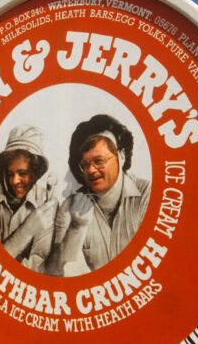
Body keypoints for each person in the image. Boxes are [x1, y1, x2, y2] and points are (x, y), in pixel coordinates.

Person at [45, 114, 151, 276]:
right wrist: (77, 227)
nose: (91, 170)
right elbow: (54, 275)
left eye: (99, 161)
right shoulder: (69, 208)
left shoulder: (148, 196)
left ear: (121, 157)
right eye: (85, 164)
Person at [0, 125, 57, 272]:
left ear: (35, 173)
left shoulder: (46, 202)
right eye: (10, 174)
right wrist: (28, 229)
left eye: (22, 173)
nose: (15, 181)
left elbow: (39, 268)